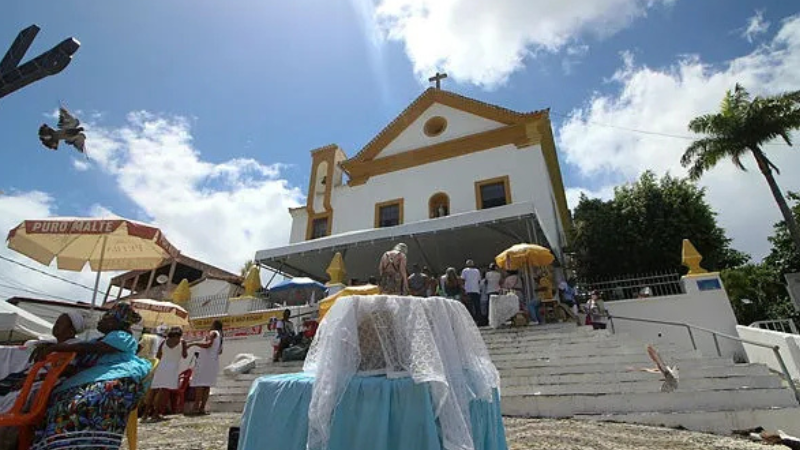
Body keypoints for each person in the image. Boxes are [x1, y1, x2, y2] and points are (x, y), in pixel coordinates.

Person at [32, 303, 152, 448]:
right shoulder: (98, 339)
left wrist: (56, 347)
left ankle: (89, 443)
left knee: (87, 401)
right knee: (57, 401)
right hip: (92, 377)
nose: (100, 320)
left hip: (117, 376)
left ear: (117, 322)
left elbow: (90, 348)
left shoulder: (121, 336)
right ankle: (59, 444)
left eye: (106, 318)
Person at [143, 327, 187, 421]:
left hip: (161, 367)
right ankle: (156, 414)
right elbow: (184, 355)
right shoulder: (182, 342)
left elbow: (158, 355)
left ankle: (145, 414)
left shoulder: (164, 342)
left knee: (154, 391)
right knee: (164, 392)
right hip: (172, 369)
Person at [188, 320, 223, 415]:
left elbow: (208, 345)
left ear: (214, 325)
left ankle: (195, 407)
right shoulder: (220, 336)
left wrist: (194, 344)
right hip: (212, 363)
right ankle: (202, 408)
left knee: (199, 385)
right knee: (206, 386)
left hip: (205, 363)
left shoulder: (213, 333)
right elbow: (220, 351)